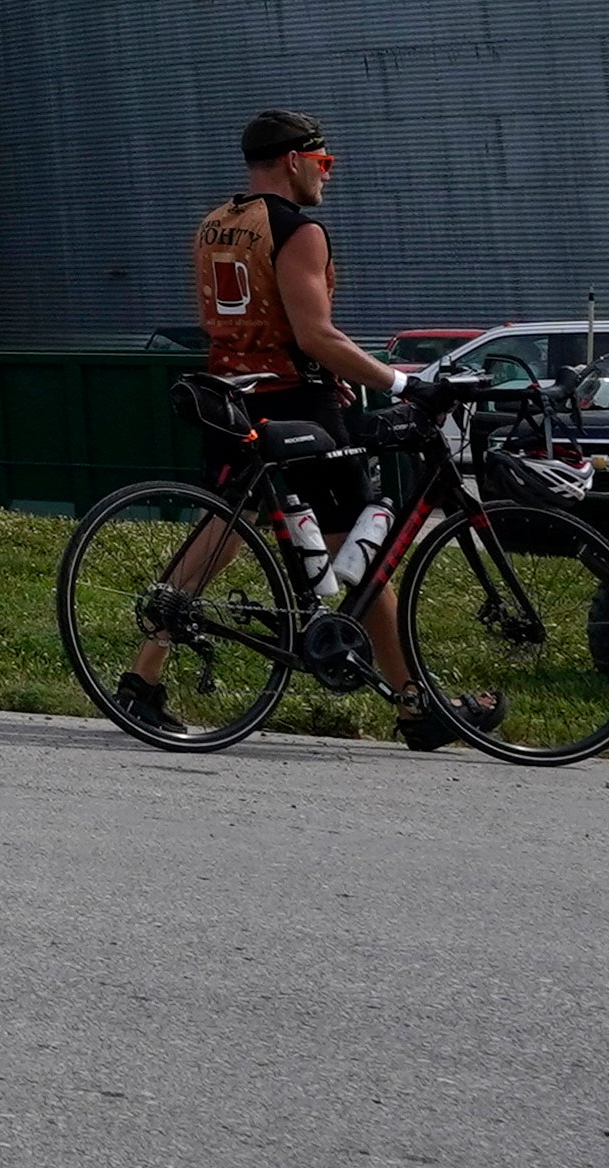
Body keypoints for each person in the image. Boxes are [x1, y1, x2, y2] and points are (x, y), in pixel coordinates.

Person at [120, 110, 421, 737]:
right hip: (295, 405)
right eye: (325, 163)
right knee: (358, 550)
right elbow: (317, 333)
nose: (328, 176)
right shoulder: (298, 231)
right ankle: (412, 704)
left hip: (230, 397)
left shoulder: (216, 225)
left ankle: (141, 679)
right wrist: (396, 381)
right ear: (294, 160)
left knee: (222, 536)